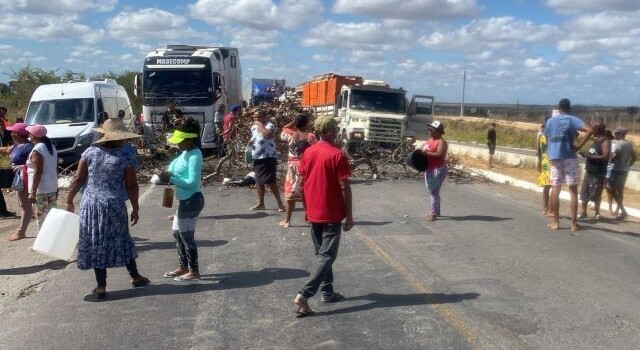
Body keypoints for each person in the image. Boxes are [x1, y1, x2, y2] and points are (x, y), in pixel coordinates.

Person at [65, 118, 149, 299]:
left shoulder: (89, 152)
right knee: (122, 239)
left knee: (96, 242)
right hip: (113, 206)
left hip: (90, 205)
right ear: (121, 138)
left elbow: (78, 179)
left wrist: (69, 199)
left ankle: (101, 286)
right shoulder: (124, 157)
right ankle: (135, 276)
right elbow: (131, 186)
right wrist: (135, 208)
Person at [293, 116, 353, 318]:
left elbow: (301, 183)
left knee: (322, 255)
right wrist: (350, 215)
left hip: (314, 212)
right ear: (330, 131)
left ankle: (327, 291)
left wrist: (306, 209)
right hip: (331, 212)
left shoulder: (308, 153)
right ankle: (305, 294)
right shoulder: (338, 155)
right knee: (327, 256)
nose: (337, 131)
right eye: (335, 128)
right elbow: (345, 187)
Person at [159, 119, 205, 281]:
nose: (177, 144)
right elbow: (171, 169)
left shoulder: (195, 155)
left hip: (192, 199)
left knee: (187, 236)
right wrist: (167, 173)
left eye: (180, 142)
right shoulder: (184, 153)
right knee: (177, 233)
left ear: (190, 139)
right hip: (184, 201)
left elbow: (193, 182)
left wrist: (172, 179)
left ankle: (194, 271)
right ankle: (183, 266)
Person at [544, 98, 593, 233]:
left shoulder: (550, 121)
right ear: (569, 108)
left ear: (559, 108)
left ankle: (555, 222)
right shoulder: (572, 119)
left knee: (555, 188)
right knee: (572, 190)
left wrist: (551, 151)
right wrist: (579, 146)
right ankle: (574, 224)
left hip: (555, 157)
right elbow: (589, 130)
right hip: (570, 157)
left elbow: (546, 139)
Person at [279, 113, 316, 227]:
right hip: (305, 166)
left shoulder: (289, 134)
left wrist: (293, 122)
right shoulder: (310, 137)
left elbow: (284, 128)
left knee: (290, 195)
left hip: (292, 167)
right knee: (307, 193)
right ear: (307, 124)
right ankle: (310, 218)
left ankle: (287, 221)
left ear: (296, 124)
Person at [0, 123, 34, 240]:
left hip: (25, 179)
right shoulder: (17, 145)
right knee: (24, 205)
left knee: (25, 206)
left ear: (17, 134)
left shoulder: (28, 147)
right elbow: (7, 150)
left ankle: (21, 232)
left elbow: (36, 163)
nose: (10, 133)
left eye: (12, 131)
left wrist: (21, 167)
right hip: (19, 179)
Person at [249, 109, 285, 211]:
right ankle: (261, 203)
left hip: (268, 157)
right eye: (255, 117)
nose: (256, 119)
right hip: (258, 157)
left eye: (258, 117)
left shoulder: (270, 125)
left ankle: (280, 204)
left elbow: (267, 135)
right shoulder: (253, 127)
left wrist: (260, 124)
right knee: (259, 182)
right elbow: (256, 138)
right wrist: (251, 142)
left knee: (271, 181)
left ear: (264, 117)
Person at [25, 124, 59, 225]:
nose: (29, 134)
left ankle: (45, 240)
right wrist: (56, 186)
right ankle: (52, 239)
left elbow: (38, 171)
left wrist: (32, 192)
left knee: (42, 219)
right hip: (51, 187)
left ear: (34, 135)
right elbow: (55, 168)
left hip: (41, 190)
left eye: (30, 133)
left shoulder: (38, 149)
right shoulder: (51, 147)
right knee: (50, 217)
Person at [577, 122, 610, 220]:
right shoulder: (596, 141)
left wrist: (591, 156)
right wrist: (585, 154)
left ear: (598, 130)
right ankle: (583, 212)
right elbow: (592, 152)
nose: (592, 131)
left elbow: (606, 156)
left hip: (598, 172)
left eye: (594, 129)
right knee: (585, 192)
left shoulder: (605, 141)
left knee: (596, 193)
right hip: (589, 170)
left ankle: (597, 213)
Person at [422, 120, 448, 222]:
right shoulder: (430, 140)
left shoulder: (441, 142)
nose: (429, 130)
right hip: (429, 169)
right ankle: (437, 211)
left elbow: (439, 154)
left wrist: (426, 153)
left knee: (433, 191)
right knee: (432, 190)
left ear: (438, 131)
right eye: (428, 129)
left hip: (438, 169)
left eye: (431, 129)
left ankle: (433, 213)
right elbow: (424, 151)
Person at [608, 127, 637, 220]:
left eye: (616, 133)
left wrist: (609, 162)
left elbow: (617, 156)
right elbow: (634, 157)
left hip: (616, 170)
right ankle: (618, 210)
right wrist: (628, 165)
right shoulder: (629, 144)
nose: (614, 135)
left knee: (611, 190)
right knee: (620, 191)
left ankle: (623, 210)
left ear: (621, 134)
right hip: (624, 170)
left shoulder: (618, 144)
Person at [536, 122, 552, 216]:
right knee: (552, 187)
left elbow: (540, 152)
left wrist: (539, 162)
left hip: (545, 163)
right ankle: (549, 209)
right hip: (550, 164)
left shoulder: (542, 137)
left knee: (548, 187)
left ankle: (546, 208)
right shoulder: (549, 138)